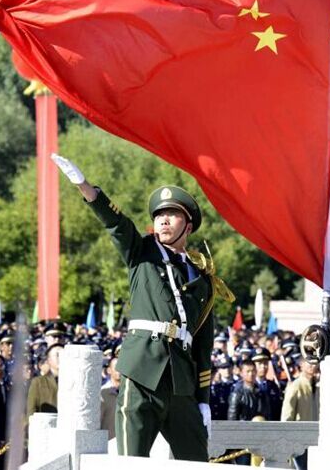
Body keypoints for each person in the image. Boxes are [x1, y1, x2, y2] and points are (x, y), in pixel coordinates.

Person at [52, 154, 219, 461]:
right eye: (159, 215)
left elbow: (203, 346)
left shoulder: (202, 281)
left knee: (197, 461)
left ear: (189, 225)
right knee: (131, 461)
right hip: (142, 370)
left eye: (172, 214)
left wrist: (203, 399)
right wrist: (85, 187)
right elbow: (115, 222)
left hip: (181, 381)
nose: (164, 220)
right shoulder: (141, 252)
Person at [281, 358, 320, 470]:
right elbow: (287, 414)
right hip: (299, 439)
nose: (313, 365)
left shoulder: (318, 386)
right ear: (301, 365)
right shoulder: (296, 385)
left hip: (315, 439)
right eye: (309, 362)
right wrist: (286, 437)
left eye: (314, 362)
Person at [26, 343, 61, 415]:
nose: (61, 357)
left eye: (64, 355)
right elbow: (31, 411)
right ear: (49, 360)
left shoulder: (74, 381)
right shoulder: (38, 382)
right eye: (57, 355)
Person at [252, 347, 282, 420]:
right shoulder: (249, 386)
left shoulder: (273, 386)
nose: (263, 367)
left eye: (265, 363)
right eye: (259, 364)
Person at [100, 356, 122, 439]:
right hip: (107, 444)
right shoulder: (102, 393)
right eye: (116, 367)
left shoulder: (130, 394)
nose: (120, 370)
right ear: (109, 370)